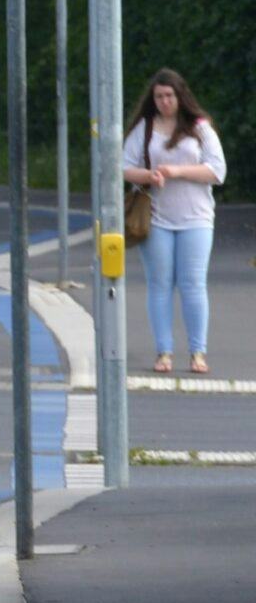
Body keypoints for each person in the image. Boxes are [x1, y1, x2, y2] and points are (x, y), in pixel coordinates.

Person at [123, 68, 228, 375]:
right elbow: (123, 166)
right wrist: (148, 175)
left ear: (180, 96)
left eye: (169, 95)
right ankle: (164, 352)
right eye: (159, 96)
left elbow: (217, 171)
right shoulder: (144, 128)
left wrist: (177, 171)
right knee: (160, 284)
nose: (164, 101)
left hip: (196, 218)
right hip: (156, 218)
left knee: (193, 283)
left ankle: (198, 352)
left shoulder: (199, 128)